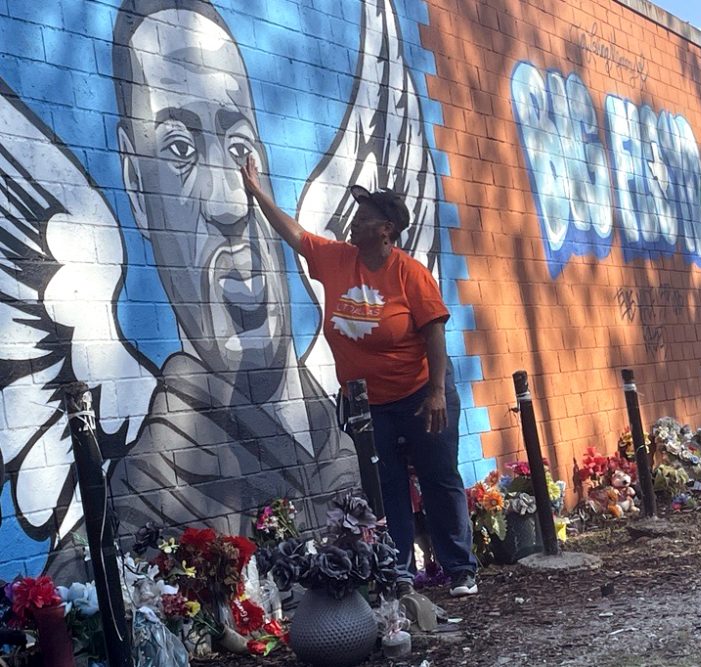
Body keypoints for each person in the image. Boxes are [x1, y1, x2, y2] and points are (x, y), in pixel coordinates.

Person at [106, 2, 358, 545]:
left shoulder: (340, 438)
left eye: (240, 146)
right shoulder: (148, 505)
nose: (231, 203)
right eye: (180, 149)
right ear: (135, 189)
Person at [240, 154, 479, 597]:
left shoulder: (409, 273)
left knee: (437, 476)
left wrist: (436, 393)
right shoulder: (337, 259)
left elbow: (434, 333)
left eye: (364, 218)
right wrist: (257, 192)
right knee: (385, 486)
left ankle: (460, 568)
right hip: (367, 403)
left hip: (421, 392)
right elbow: (295, 235)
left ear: (386, 230)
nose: (353, 223)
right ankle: (398, 571)